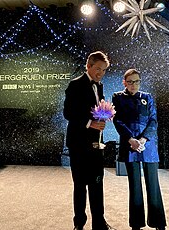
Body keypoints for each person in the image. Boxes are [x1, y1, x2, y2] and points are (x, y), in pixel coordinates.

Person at [63, 51, 115, 230]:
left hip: (95, 144)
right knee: (80, 185)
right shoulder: (75, 85)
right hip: (78, 144)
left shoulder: (99, 86)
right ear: (89, 66)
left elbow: (98, 111)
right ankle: (79, 223)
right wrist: (89, 123)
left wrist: (102, 121)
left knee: (97, 183)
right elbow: (68, 113)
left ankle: (99, 222)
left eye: (104, 70)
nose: (101, 73)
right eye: (98, 69)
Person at [112, 69, 167, 230]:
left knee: (153, 184)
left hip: (147, 146)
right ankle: (136, 224)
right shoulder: (118, 97)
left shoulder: (147, 97)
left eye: (136, 81)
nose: (133, 84)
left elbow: (153, 120)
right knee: (134, 186)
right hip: (130, 146)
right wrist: (131, 140)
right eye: (130, 81)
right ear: (124, 82)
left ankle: (159, 223)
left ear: (140, 82)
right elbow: (118, 120)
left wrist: (142, 140)